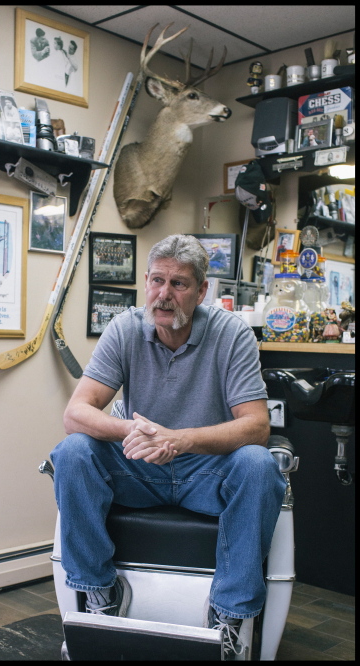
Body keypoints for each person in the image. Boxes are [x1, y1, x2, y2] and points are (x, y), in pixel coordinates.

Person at [51, 234, 285, 658]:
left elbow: (256, 426)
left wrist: (182, 440)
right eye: (157, 281)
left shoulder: (232, 334)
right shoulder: (125, 329)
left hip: (205, 472)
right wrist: (132, 433)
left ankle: (229, 620)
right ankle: (98, 600)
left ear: (201, 291)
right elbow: (76, 413)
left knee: (257, 464)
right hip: (141, 467)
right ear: (145, 282)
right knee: (71, 452)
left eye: (178, 284)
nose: (164, 294)